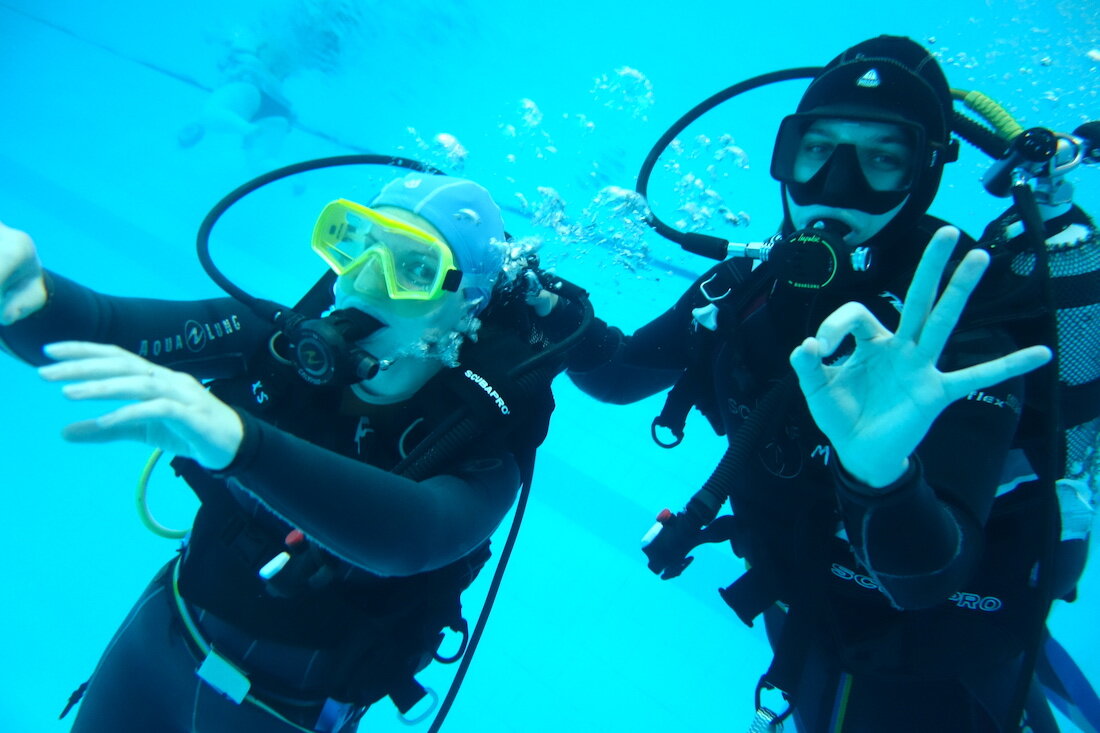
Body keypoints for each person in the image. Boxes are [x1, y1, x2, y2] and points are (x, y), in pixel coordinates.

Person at [535, 36, 1097, 731]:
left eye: (882, 159)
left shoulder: (960, 316)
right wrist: (553, 318)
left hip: (923, 661)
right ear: (786, 157)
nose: (835, 185)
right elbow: (619, 377)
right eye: (816, 150)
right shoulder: (748, 294)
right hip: (803, 613)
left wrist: (881, 475)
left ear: (923, 175)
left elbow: (928, 578)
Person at [0, 172, 566, 732]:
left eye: (413, 268)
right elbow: (103, 326)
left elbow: (412, 538)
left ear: (466, 305)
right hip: (157, 642)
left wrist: (240, 445)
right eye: (361, 248)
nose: (366, 283)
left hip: (284, 711)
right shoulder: (272, 341)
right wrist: (24, 298)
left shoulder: (477, 439)